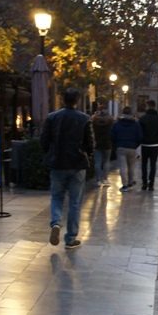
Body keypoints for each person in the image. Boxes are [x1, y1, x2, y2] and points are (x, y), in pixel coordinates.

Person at [40, 88, 94, 249]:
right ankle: (70, 238)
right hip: (77, 165)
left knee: (56, 197)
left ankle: (56, 223)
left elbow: (44, 140)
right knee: (75, 202)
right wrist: (88, 156)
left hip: (57, 163)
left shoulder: (52, 117)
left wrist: (49, 154)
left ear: (63, 99)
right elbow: (90, 143)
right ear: (77, 100)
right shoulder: (84, 118)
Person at [111, 106, 142, 192]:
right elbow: (140, 137)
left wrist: (116, 144)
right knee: (131, 166)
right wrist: (135, 145)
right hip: (132, 147)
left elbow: (112, 136)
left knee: (122, 167)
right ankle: (130, 181)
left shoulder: (117, 124)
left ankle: (124, 185)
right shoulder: (136, 124)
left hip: (120, 147)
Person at [138, 100, 158, 191]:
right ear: (155, 107)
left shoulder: (142, 119)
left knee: (144, 164)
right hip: (155, 144)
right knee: (153, 164)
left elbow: (139, 132)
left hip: (145, 144)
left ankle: (144, 183)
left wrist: (140, 141)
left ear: (147, 106)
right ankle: (151, 184)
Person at [90, 102, 114, 187]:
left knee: (97, 162)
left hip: (97, 142)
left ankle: (98, 180)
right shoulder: (110, 120)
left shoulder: (94, 120)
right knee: (106, 161)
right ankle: (105, 179)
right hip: (107, 142)